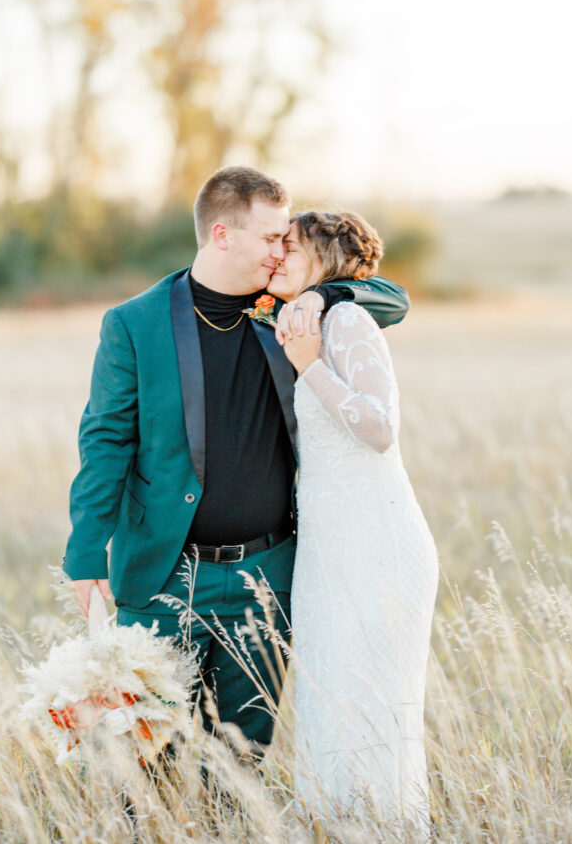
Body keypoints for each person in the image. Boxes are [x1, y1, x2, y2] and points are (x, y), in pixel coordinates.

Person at [62, 166, 410, 753]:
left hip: (268, 573)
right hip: (164, 572)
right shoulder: (134, 323)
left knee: (243, 751)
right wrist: (85, 550)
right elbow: (105, 442)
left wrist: (327, 290)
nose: (283, 249)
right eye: (272, 237)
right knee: (143, 749)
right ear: (223, 235)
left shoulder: (286, 306)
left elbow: (393, 299)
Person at [268, 211, 438, 825]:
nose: (278, 255)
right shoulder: (303, 312)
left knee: (369, 701)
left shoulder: (346, 320)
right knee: (331, 696)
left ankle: (383, 828)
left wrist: (309, 366)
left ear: (325, 257)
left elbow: (379, 428)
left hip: (374, 540)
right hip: (328, 547)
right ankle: (335, 828)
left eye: (291, 245)